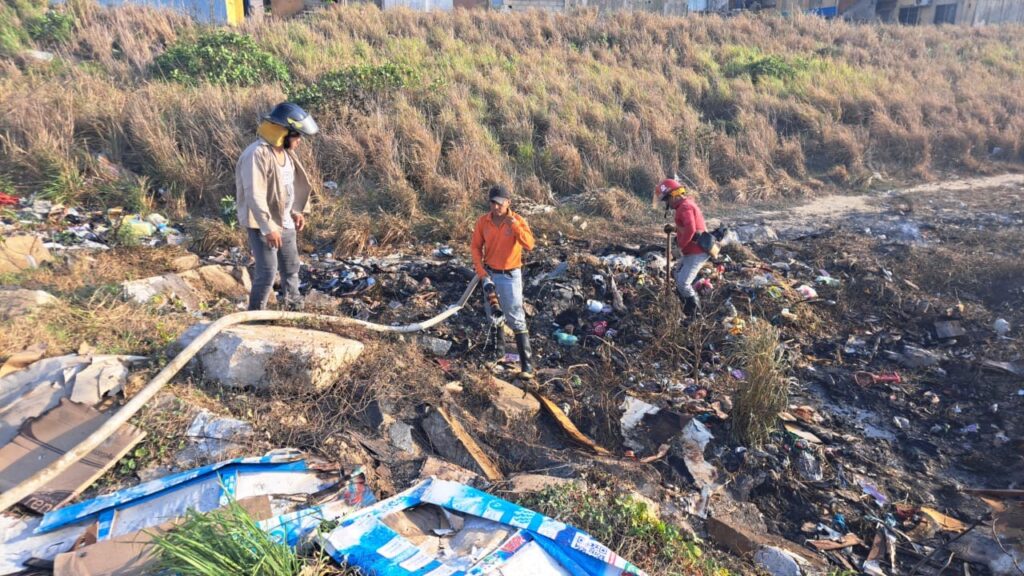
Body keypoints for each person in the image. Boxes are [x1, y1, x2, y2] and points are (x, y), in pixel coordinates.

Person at [235, 102, 318, 311]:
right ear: (283, 132)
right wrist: (268, 227)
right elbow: (254, 193)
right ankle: (255, 316)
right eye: (296, 135)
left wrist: (297, 211)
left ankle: (294, 308)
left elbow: (290, 186)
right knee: (267, 272)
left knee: (291, 268)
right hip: (264, 224)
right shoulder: (257, 154)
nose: (299, 140)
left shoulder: (287, 153)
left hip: (286, 221)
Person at [471, 185, 537, 379]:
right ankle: (497, 354)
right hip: (490, 273)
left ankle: (527, 365)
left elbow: (529, 244)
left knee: (515, 316)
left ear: (508, 202)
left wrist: (514, 226)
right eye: (493, 202)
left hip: (510, 276)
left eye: (500, 203)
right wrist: (481, 272)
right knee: (493, 314)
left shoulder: (517, 221)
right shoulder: (483, 222)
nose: (496, 207)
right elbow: (475, 247)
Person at [656, 178, 708, 318]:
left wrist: (679, 248)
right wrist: (675, 229)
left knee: (683, 283)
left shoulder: (685, 207)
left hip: (697, 251)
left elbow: (691, 229)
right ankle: (684, 306)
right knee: (677, 274)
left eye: (667, 200)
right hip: (692, 250)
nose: (667, 204)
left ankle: (695, 316)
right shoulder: (685, 205)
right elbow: (688, 227)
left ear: (674, 195)